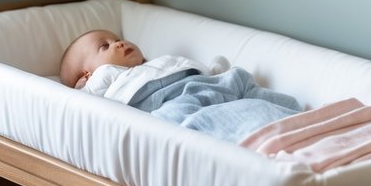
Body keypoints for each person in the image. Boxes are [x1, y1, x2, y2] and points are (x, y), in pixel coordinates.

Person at [58, 29, 302, 144]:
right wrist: (82, 87)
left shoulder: (153, 64)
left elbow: (187, 69)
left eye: (117, 39)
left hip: (205, 84)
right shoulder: (102, 80)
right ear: (87, 74)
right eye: (104, 46)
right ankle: (243, 135)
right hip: (172, 101)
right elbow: (83, 104)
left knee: (240, 80)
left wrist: (215, 72)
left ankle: (297, 116)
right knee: (178, 121)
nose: (118, 43)